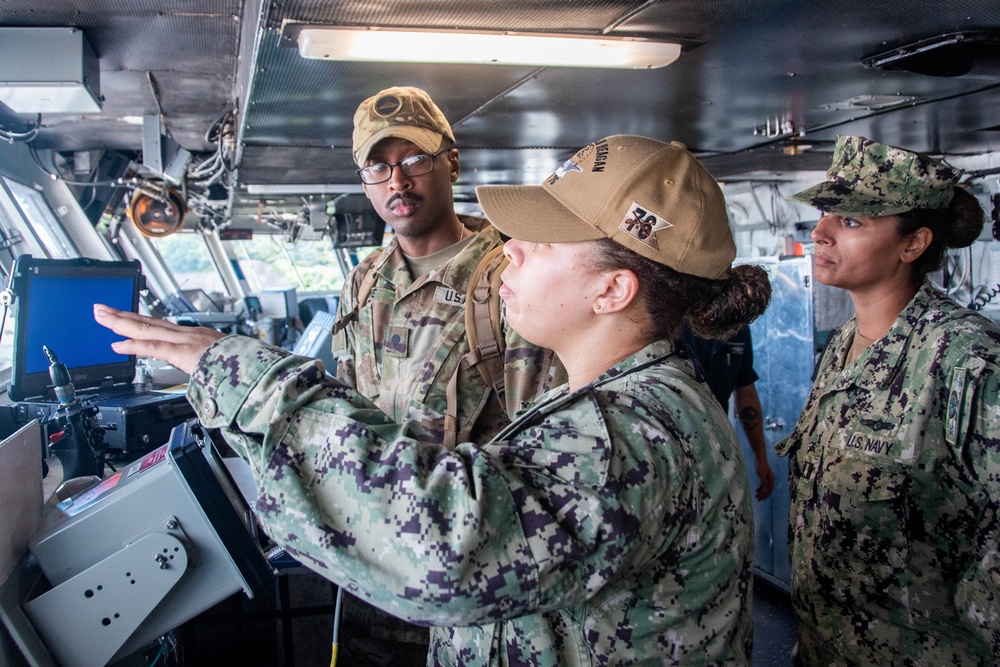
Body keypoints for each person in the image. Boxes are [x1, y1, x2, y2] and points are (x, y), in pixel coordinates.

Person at [94, 134, 772, 665]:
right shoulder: (617, 404)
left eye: (541, 241)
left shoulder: (634, 433)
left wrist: (247, 379)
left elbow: (444, 545)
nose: (511, 252)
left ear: (612, 290)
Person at [333, 86, 565, 661]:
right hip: (370, 569)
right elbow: (348, 409)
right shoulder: (364, 281)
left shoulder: (507, 280)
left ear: (451, 163)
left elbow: (547, 453)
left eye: (414, 160)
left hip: (466, 581)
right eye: (378, 167)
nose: (397, 182)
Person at [776, 135, 1000, 665]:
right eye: (828, 214)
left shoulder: (965, 359)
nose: (820, 232)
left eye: (851, 222)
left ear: (913, 244)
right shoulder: (842, 348)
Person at [682, 324, 775, 500]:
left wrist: (761, 457)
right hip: (677, 448)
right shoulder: (673, 320)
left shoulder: (738, 327)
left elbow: (746, 392)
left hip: (717, 450)